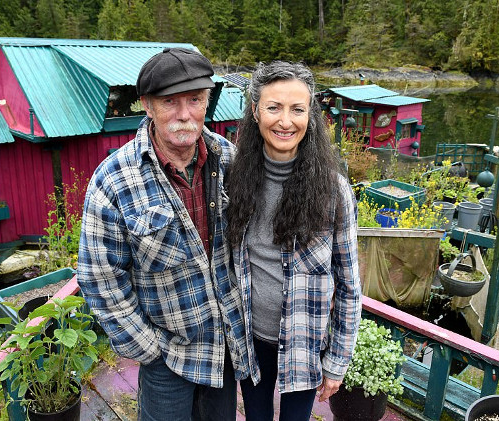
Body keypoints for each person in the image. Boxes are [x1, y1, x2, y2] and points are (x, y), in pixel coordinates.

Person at [77, 47, 249, 421]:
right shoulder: (114, 180)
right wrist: (148, 348)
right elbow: (99, 278)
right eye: (170, 101)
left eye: (195, 100)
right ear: (147, 105)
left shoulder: (228, 158)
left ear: (207, 101)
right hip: (167, 358)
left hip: (226, 347)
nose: (184, 114)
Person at [225, 61, 362, 421]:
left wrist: (337, 362)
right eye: (274, 107)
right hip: (250, 339)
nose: (285, 121)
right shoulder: (235, 179)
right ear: (255, 111)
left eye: (297, 109)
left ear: (310, 114)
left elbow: (349, 285)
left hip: (304, 345)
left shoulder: (334, 191)